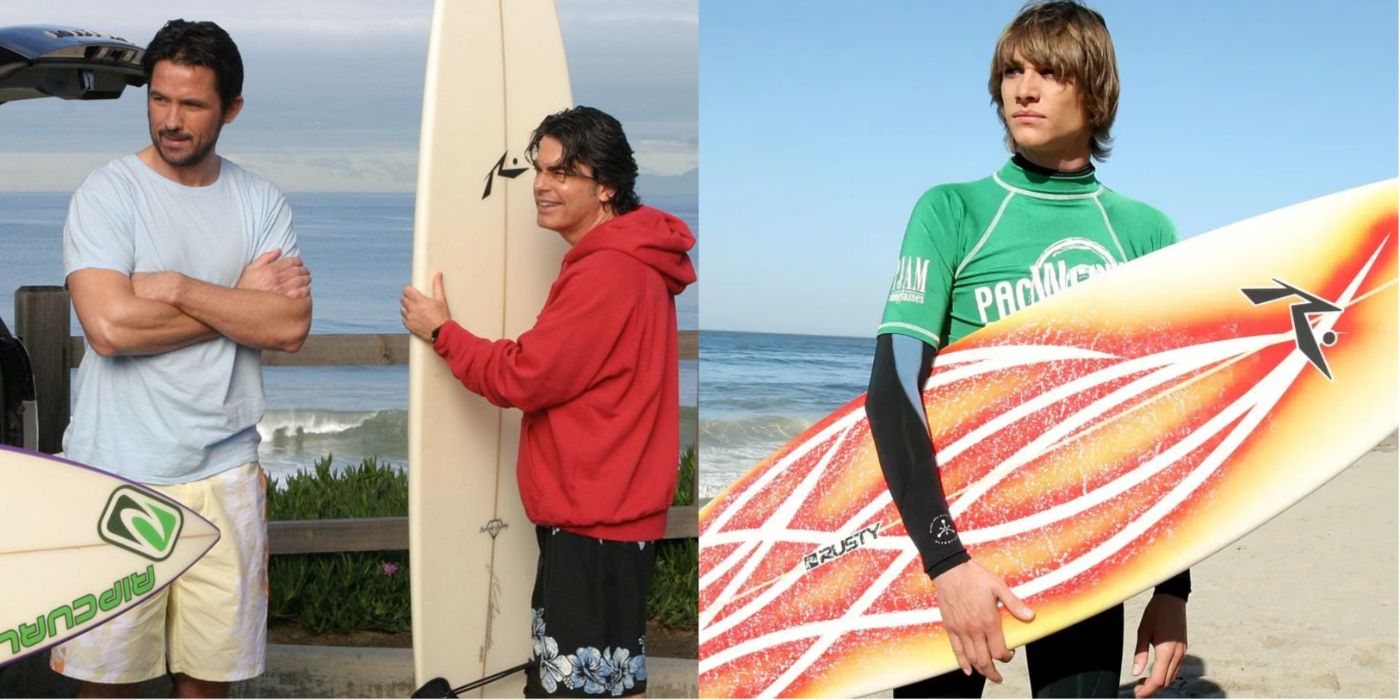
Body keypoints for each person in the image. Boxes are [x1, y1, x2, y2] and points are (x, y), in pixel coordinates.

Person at [864, 2, 1187, 698]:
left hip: (1083, 546)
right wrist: (945, 562)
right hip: (952, 544)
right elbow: (893, 389)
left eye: (1049, 71)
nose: (1023, 88)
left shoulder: (1145, 233)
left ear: (1094, 91)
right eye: (1012, 70)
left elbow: (1165, 428)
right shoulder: (953, 211)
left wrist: (1172, 589)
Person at [51, 19, 312, 699]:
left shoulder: (261, 202)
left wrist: (176, 289)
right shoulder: (107, 194)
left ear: (232, 109)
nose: (171, 120)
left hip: (226, 475)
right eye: (159, 100)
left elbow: (286, 324)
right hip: (116, 472)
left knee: (210, 682)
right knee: (104, 681)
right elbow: (110, 326)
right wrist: (235, 304)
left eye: (192, 105)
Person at [400, 106, 696, 698]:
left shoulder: (608, 270)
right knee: (598, 687)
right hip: (611, 516)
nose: (540, 184)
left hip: (596, 522)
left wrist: (443, 333)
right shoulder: (630, 263)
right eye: (540, 169)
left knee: (571, 691)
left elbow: (525, 377)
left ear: (606, 186)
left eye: (562, 173)